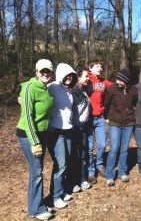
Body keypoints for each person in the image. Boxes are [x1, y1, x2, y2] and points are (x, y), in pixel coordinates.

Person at [16, 59, 54, 220]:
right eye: (42, 71)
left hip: (42, 133)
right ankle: (36, 210)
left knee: (37, 171)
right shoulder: (30, 88)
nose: (45, 74)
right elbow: (28, 118)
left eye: (48, 71)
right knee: (36, 172)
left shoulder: (46, 89)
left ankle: (36, 205)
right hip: (29, 135)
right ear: (37, 72)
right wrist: (35, 142)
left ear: (52, 73)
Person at [47, 63, 78, 209]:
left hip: (69, 130)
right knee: (60, 164)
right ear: (61, 75)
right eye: (67, 74)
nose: (69, 77)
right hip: (56, 131)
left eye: (71, 75)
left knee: (67, 162)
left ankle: (62, 190)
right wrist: (22, 99)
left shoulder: (70, 89)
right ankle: (55, 196)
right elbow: (38, 96)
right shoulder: (52, 87)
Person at [104, 68, 138, 186]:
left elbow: (135, 103)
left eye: (122, 80)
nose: (119, 82)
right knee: (114, 148)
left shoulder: (133, 90)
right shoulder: (111, 89)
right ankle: (109, 175)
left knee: (124, 149)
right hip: (115, 123)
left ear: (127, 81)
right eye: (118, 79)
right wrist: (107, 117)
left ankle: (122, 172)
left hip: (128, 123)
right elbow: (106, 104)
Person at [86, 60, 112, 184]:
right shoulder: (86, 78)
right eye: (97, 66)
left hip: (100, 118)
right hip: (88, 118)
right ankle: (90, 171)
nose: (100, 68)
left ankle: (99, 164)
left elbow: (115, 86)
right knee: (89, 147)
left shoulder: (103, 81)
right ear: (90, 68)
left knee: (102, 144)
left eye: (101, 66)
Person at [67, 66, 91, 193]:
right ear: (78, 78)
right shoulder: (72, 91)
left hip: (83, 127)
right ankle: (73, 181)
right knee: (73, 156)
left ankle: (82, 179)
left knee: (83, 155)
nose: (88, 78)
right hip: (73, 128)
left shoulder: (84, 90)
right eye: (85, 76)